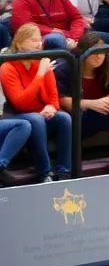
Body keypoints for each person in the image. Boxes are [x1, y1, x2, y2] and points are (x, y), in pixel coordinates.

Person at [0, 24, 72, 181]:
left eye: (40, 40)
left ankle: (64, 170)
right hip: (17, 115)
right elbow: (21, 103)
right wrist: (40, 73)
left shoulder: (42, 61)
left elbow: (54, 96)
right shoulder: (8, 67)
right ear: (19, 43)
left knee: (64, 118)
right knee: (35, 119)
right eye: (33, 40)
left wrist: (52, 106)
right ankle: (45, 172)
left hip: (42, 112)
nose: (39, 44)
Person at [57, 31, 109, 172]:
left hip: (93, 115)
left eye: (102, 53)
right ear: (83, 53)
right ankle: (65, 170)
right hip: (72, 120)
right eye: (94, 53)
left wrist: (99, 103)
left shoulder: (107, 66)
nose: (99, 57)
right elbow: (62, 101)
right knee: (66, 118)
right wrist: (92, 104)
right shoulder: (66, 68)